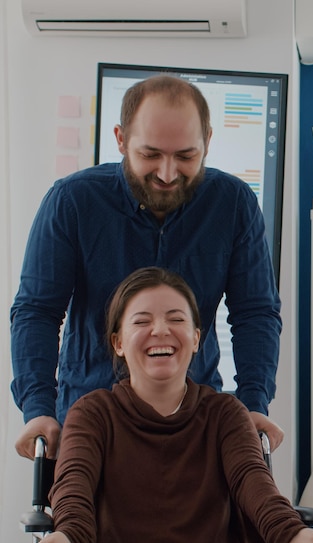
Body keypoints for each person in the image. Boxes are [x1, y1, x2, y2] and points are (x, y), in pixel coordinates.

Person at [29, 267, 313, 543]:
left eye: (176, 319)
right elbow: (73, 486)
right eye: (142, 321)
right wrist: (69, 539)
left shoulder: (225, 414)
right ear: (118, 342)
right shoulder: (93, 414)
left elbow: (254, 482)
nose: (160, 330)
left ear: (195, 337)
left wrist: (290, 534)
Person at [11, 74, 284, 461]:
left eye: (186, 156)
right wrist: (37, 408)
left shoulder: (234, 204)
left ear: (208, 140)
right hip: (89, 424)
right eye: (150, 155)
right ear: (121, 139)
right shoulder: (71, 202)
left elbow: (255, 312)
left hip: (194, 423)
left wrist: (253, 402)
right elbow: (37, 311)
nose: (168, 174)